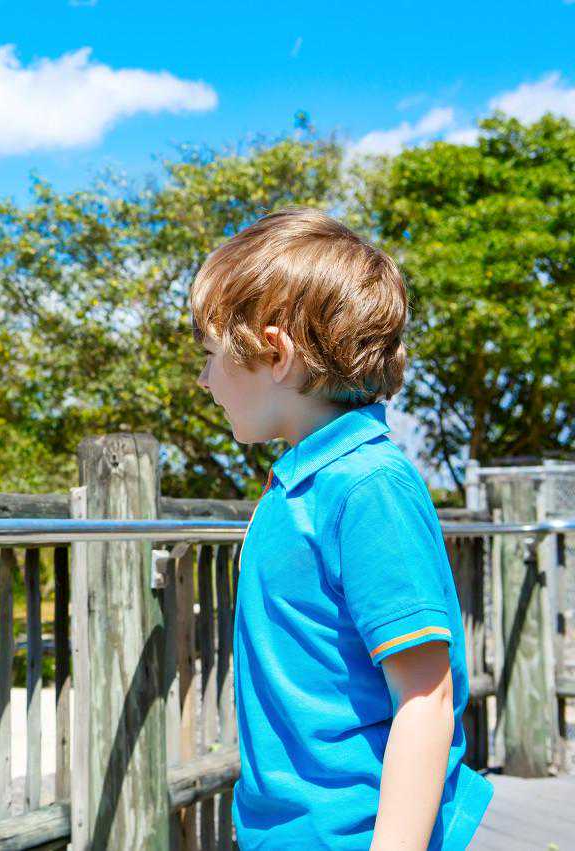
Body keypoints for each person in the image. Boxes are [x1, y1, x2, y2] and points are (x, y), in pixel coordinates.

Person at [189, 207, 493, 849]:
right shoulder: (303, 480)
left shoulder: (366, 486)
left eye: (212, 356)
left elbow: (425, 697)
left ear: (276, 354)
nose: (205, 379)